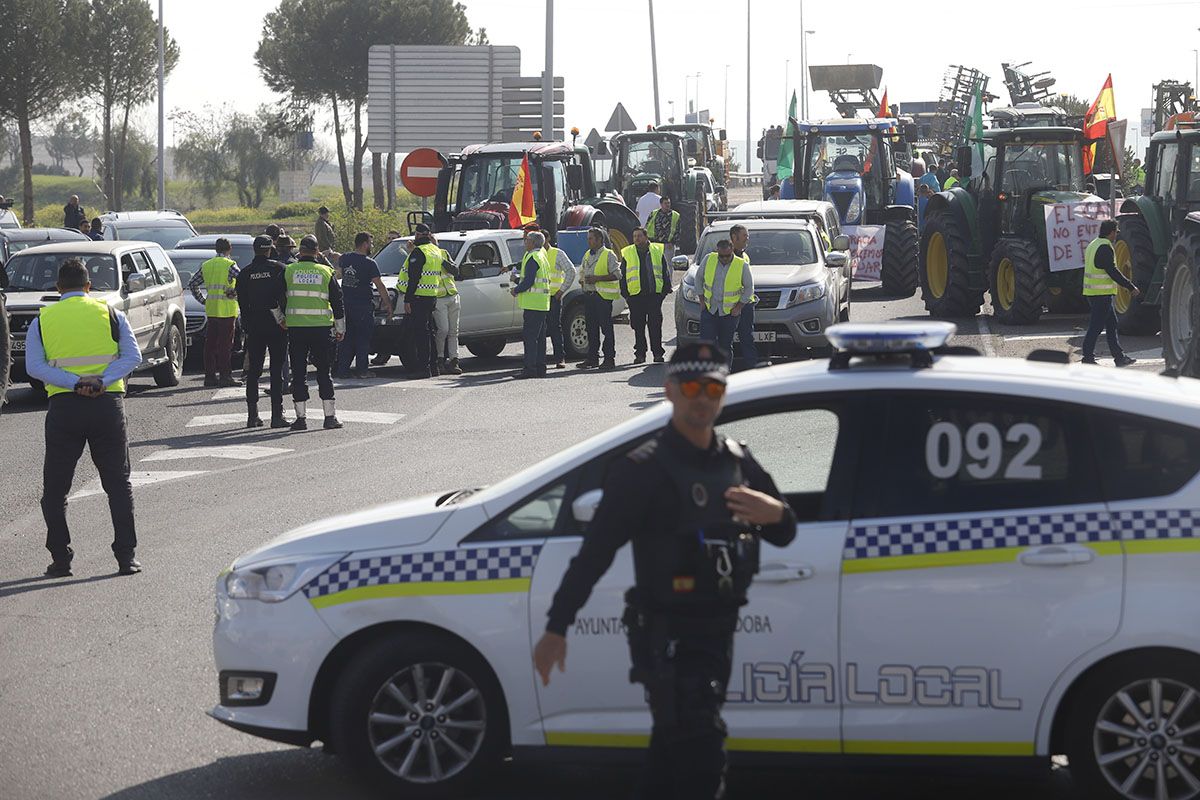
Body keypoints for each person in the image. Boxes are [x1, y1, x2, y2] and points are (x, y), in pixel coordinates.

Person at [533, 341, 797, 800]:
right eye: (692, 386)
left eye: (713, 387)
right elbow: (595, 553)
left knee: (670, 756)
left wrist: (774, 512)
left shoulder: (737, 460)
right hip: (667, 640)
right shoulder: (643, 470)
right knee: (703, 755)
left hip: (718, 635)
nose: (703, 396)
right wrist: (557, 627)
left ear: (723, 393)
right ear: (671, 391)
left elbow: (785, 532)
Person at [26, 258, 144, 577]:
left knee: (55, 489)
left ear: (58, 288)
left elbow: (34, 367)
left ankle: (61, 559)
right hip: (107, 405)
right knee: (118, 484)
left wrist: (73, 382)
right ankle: (126, 558)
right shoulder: (111, 313)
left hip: (64, 408)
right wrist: (101, 381)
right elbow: (134, 356)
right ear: (89, 286)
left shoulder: (43, 319)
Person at [284, 235, 345, 430]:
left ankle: (301, 419)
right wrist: (340, 328)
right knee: (323, 373)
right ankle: (329, 417)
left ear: (300, 252)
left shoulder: (289, 271)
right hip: (321, 329)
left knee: (299, 373)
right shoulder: (326, 272)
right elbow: (337, 302)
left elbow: (275, 297)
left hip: (296, 329)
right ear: (317, 252)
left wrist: (280, 318)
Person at [237, 235, 289, 428]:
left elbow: (242, 304)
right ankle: (277, 416)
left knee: (253, 372)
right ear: (270, 249)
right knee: (276, 370)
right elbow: (286, 297)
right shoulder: (278, 269)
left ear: (254, 249)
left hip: (255, 328)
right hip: (277, 326)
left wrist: (247, 328)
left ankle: (252, 416)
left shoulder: (245, 273)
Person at [1081, 219, 1139, 367]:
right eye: (1116, 233)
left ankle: (1119, 357)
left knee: (1112, 324)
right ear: (1111, 232)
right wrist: (1130, 286)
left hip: (1094, 293)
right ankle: (1087, 358)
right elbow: (1113, 272)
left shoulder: (1094, 244)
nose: (1116, 236)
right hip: (1101, 294)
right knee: (1096, 326)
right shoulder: (1105, 248)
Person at [334, 231, 391, 379]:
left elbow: (338, 268)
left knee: (347, 339)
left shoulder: (346, 258)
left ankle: (343, 370)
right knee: (363, 340)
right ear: (365, 244)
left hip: (346, 305)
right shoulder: (369, 263)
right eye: (370, 243)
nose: (371, 246)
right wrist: (388, 304)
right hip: (362, 307)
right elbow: (379, 285)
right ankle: (362, 370)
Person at [188, 237, 241, 387]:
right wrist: (234, 292)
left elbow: (193, 284)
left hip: (211, 310)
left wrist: (203, 300)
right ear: (229, 249)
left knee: (210, 345)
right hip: (227, 311)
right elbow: (242, 280)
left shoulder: (207, 265)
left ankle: (210, 377)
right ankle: (225, 376)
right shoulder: (230, 265)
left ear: (216, 249)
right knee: (225, 345)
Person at [620, 227, 671, 364]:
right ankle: (640, 354)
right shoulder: (628, 252)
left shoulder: (656, 250)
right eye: (634, 236)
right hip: (635, 296)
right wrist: (626, 295)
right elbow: (623, 275)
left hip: (653, 296)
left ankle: (657, 354)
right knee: (638, 327)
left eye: (639, 236)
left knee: (655, 326)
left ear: (646, 237)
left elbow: (665, 271)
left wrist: (664, 291)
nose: (636, 238)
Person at [398, 224, 443, 378]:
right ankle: (434, 366)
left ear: (417, 235)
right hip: (431, 296)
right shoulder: (435, 250)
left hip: (418, 297)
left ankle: (424, 369)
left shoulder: (419, 252)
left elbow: (414, 278)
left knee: (421, 334)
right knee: (429, 332)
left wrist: (407, 299)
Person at [696, 239, 751, 360]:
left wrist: (738, 308)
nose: (724, 259)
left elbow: (749, 289)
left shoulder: (741, 265)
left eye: (727, 256)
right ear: (717, 251)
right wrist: (701, 300)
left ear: (732, 250)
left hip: (729, 313)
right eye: (721, 256)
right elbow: (698, 279)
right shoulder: (709, 259)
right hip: (710, 310)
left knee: (725, 346)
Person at [577, 227, 621, 370]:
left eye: (591, 238)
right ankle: (592, 358)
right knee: (591, 328)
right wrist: (582, 280)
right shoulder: (587, 255)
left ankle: (609, 358)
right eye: (588, 238)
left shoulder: (608, 255)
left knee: (606, 328)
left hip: (602, 296)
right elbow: (583, 271)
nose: (588, 241)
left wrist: (598, 279)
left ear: (599, 239)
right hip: (589, 296)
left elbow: (617, 274)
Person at [511, 230, 551, 378]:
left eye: (527, 240)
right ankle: (540, 368)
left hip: (533, 304)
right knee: (539, 339)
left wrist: (516, 289)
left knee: (530, 337)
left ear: (533, 242)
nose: (525, 242)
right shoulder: (541, 255)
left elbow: (529, 281)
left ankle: (530, 369)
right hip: (541, 303)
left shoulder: (533, 257)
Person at [537, 229, 577, 369]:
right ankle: (539, 360)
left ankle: (560, 358)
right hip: (539, 298)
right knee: (540, 330)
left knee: (554, 328)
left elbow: (571, 271)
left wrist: (562, 291)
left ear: (547, 239)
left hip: (553, 297)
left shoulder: (557, 254)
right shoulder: (535, 254)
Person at [729, 224, 759, 370]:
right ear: (734, 238)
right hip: (728, 306)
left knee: (747, 339)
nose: (748, 239)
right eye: (745, 236)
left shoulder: (745, 255)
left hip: (745, 305)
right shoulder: (723, 256)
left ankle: (751, 371)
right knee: (725, 341)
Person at [431, 241, 463, 375]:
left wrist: (442, 260)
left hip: (452, 295)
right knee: (443, 330)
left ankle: (454, 360)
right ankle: (439, 359)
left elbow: (455, 271)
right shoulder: (425, 257)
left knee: (453, 331)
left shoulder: (444, 253)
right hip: (438, 297)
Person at [646, 195, 681, 261]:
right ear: (661, 204)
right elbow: (647, 226)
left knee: (668, 264)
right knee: (656, 262)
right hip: (656, 243)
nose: (668, 205)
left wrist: (672, 242)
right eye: (665, 203)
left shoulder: (675, 215)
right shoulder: (654, 214)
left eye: (669, 203)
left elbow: (678, 230)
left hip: (668, 245)